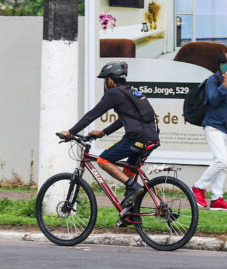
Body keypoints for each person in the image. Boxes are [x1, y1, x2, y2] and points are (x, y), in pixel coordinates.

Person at [60, 61, 160, 208]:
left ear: (111, 80)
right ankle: (130, 208)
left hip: (136, 138)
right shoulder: (130, 92)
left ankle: (134, 187)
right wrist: (103, 132)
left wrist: (70, 132)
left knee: (103, 160)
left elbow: (91, 115)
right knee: (129, 169)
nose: (104, 84)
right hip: (151, 138)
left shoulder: (114, 93)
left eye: (105, 80)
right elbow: (123, 120)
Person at [191, 53, 227, 211]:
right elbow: (213, 100)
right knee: (220, 161)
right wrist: (224, 83)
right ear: (222, 66)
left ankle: (217, 198)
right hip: (213, 127)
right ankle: (198, 187)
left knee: (223, 165)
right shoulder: (214, 80)